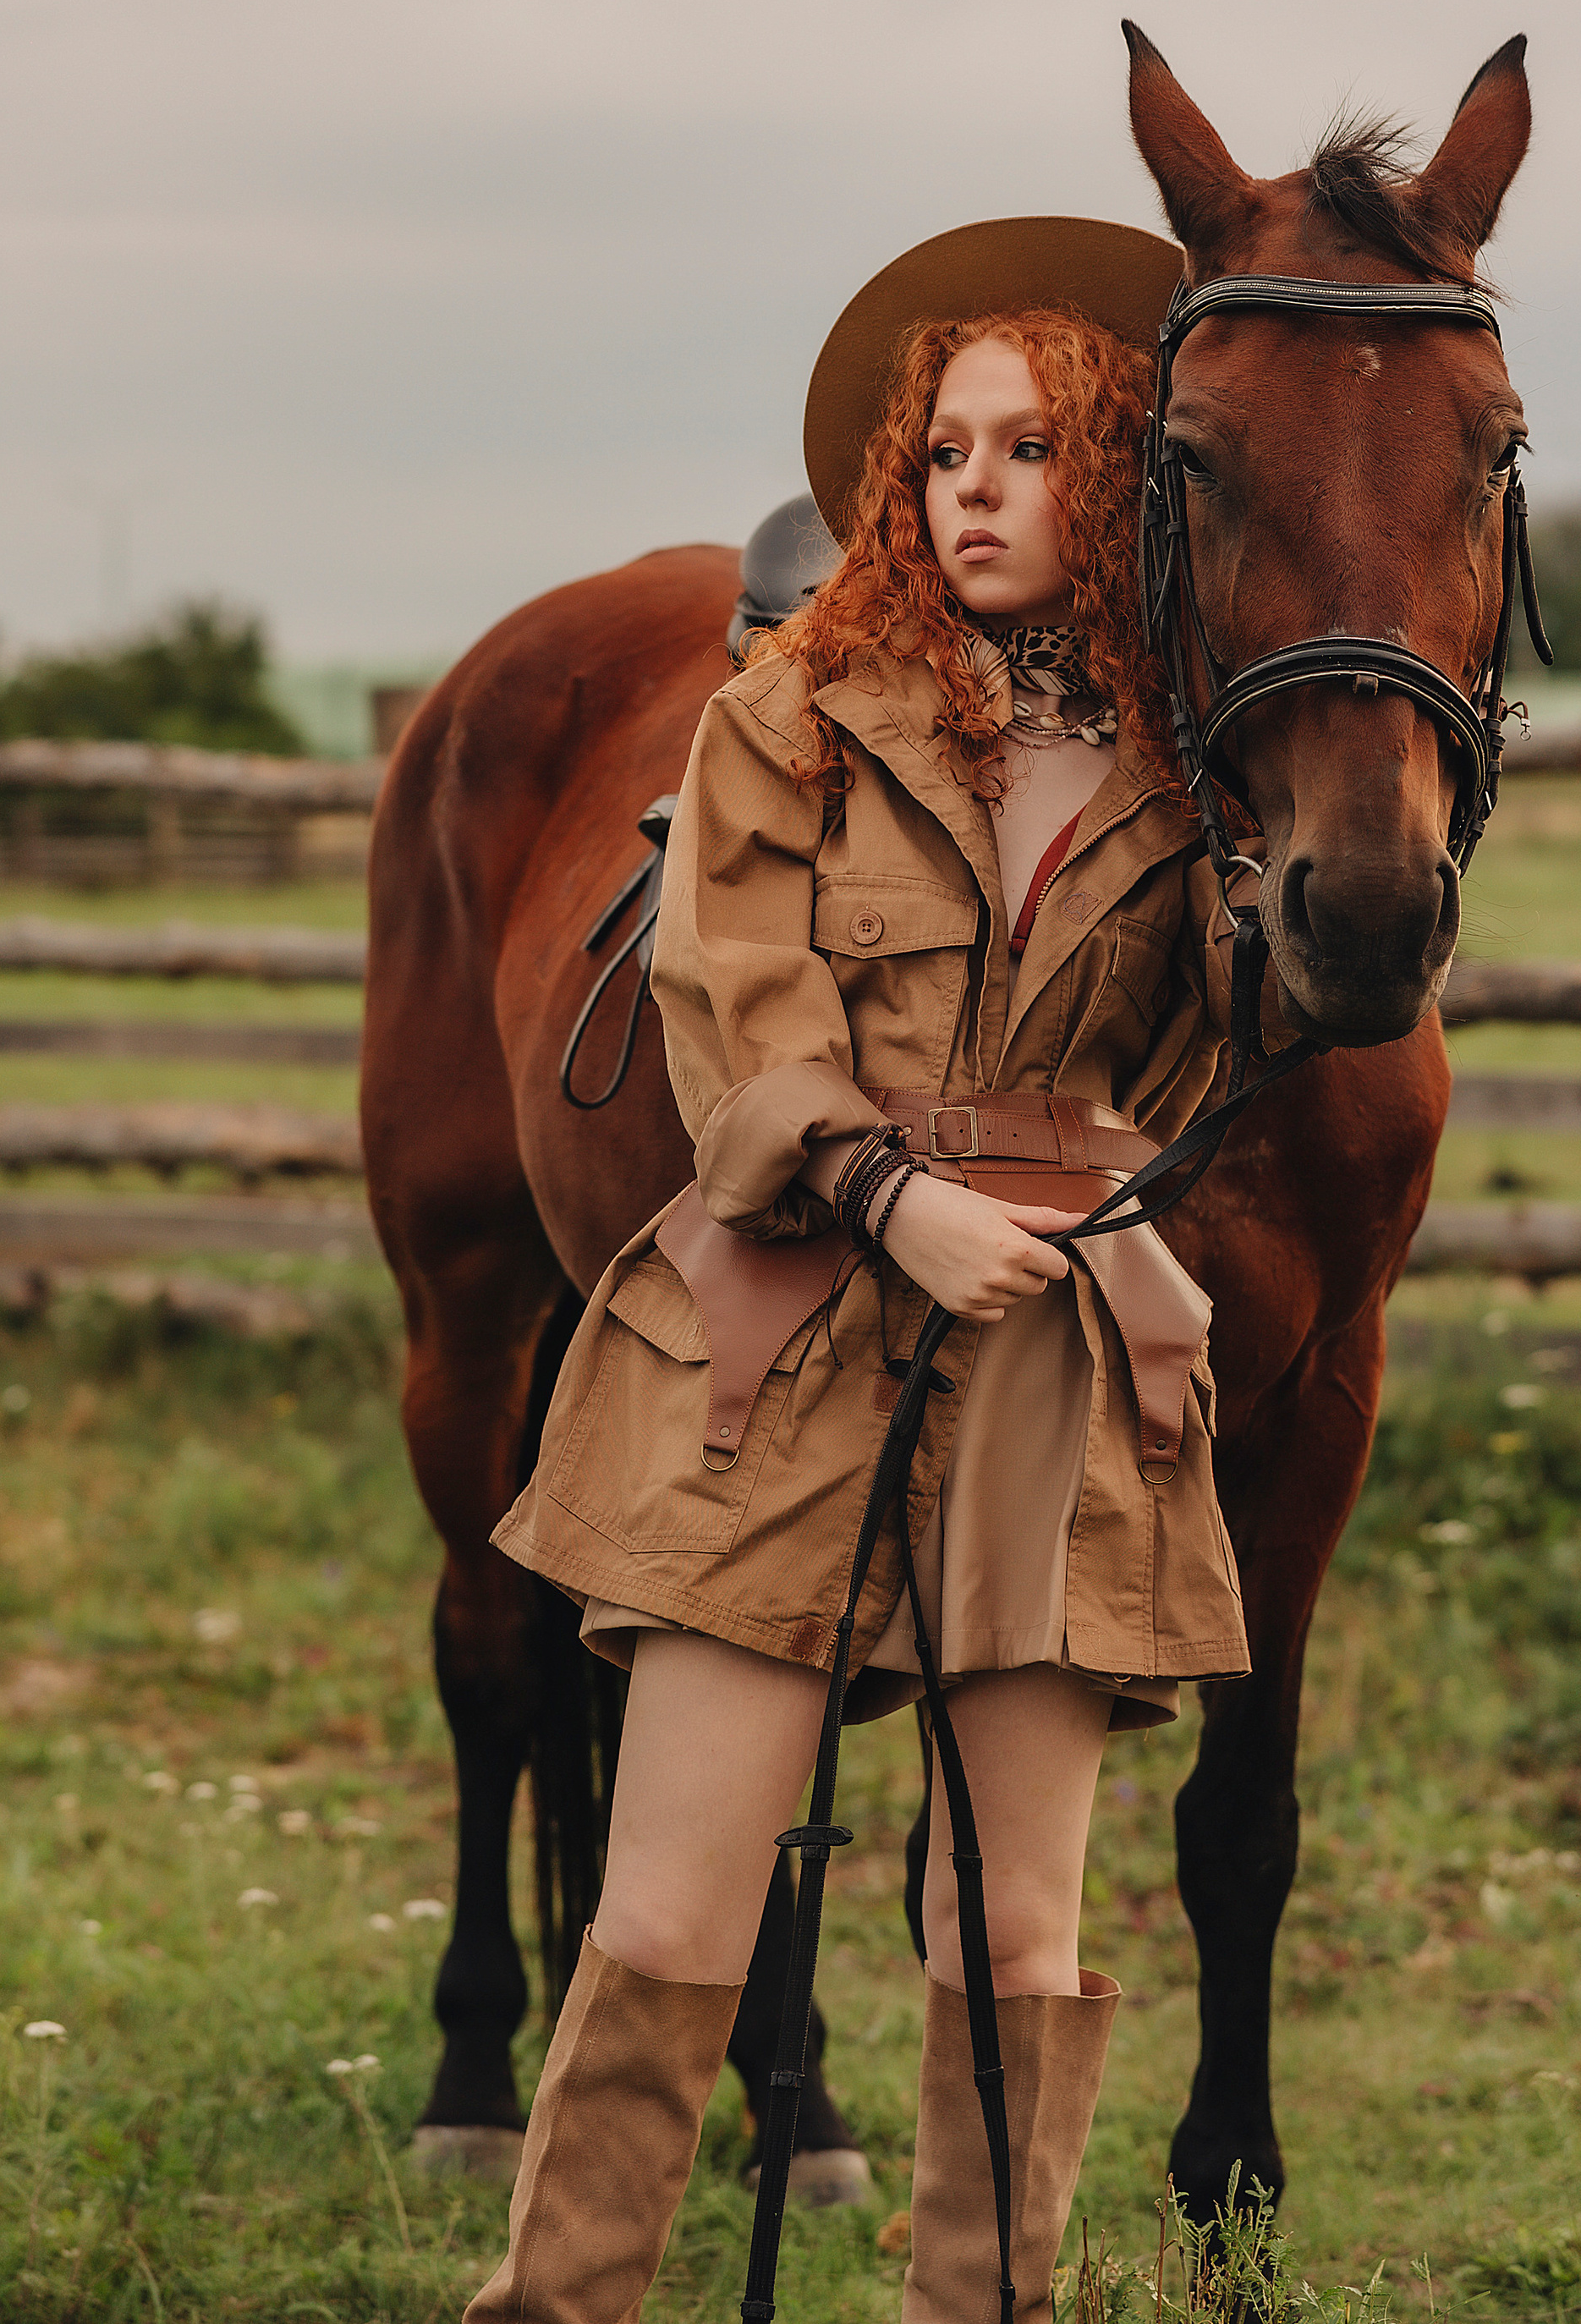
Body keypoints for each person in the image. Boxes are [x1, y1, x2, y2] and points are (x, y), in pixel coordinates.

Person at [469, 217, 1254, 2324]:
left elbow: (1194, 1059)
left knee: (1017, 1933)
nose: (971, 488)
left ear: (1122, 476)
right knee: (670, 1906)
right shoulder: (790, 714)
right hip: (782, 1328)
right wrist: (879, 1182)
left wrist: (1128, 1229)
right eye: (940, 452)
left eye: (1029, 447)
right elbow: (734, 1006)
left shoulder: (1195, 772)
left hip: (1047, 1356)